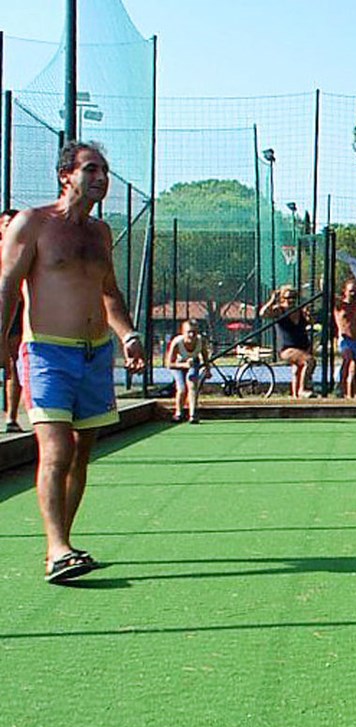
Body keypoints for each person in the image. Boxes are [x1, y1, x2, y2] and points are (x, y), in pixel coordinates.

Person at [0, 141, 147, 582]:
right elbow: (7, 287)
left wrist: (128, 335)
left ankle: (62, 543)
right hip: (46, 353)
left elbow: (109, 293)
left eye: (104, 171)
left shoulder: (100, 233)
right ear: (66, 175)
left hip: (95, 355)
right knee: (56, 449)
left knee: (81, 452)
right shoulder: (33, 223)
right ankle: (57, 549)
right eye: (91, 169)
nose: (101, 178)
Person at [262, 284, 314, 398]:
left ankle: (296, 397)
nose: (291, 301)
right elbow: (263, 314)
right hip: (287, 348)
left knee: (297, 370)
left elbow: (309, 323)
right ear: (282, 298)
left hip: (302, 346)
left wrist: (309, 316)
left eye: (293, 297)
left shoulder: (300, 310)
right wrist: (272, 300)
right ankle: (302, 389)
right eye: (287, 298)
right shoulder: (279, 310)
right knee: (309, 361)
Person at [163, 318, 209, 422]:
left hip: (193, 363)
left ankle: (193, 415)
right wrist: (184, 365)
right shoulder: (177, 343)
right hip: (177, 365)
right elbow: (169, 364)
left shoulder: (201, 341)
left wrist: (208, 369)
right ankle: (178, 414)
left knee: (192, 386)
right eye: (189, 332)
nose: (192, 335)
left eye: (194, 332)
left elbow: (205, 356)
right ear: (183, 332)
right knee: (182, 389)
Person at [1, 209, 22, 432]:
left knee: (13, 364)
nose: (11, 228)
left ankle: (11, 418)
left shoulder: (25, 252)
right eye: (7, 224)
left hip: (17, 313)